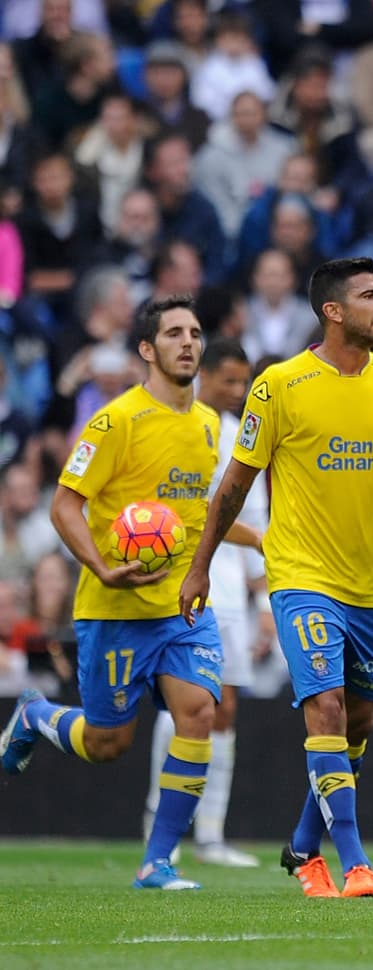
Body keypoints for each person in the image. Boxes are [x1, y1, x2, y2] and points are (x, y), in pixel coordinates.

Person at [178, 258, 373, 900]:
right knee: (324, 706)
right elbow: (234, 485)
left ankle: (301, 845)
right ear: (333, 310)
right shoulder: (279, 386)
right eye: (369, 295)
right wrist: (202, 563)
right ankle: (354, 864)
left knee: (358, 722)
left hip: (370, 584)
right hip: (300, 575)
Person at [0, 295, 261, 890]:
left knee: (201, 711)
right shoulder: (115, 421)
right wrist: (99, 564)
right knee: (107, 742)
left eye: (194, 332)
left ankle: (157, 861)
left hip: (180, 606)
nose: (188, 342)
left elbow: (197, 517)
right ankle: (35, 716)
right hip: (114, 606)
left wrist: (260, 542)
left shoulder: (205, 425)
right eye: (173, 333)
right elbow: (66, 503)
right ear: (148, 349)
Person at [143, 338, 269, 868]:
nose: (237, 391)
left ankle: (211, 833)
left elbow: (255, 516)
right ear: (206, 376)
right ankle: (160, 818)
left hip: (233, 586)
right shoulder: (184, 428)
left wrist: (261, 592)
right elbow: (192, 514)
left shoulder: (244, 435)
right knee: (186, 699)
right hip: (186, 578)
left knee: (225, 705)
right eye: (230, 381)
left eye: (244, 383)